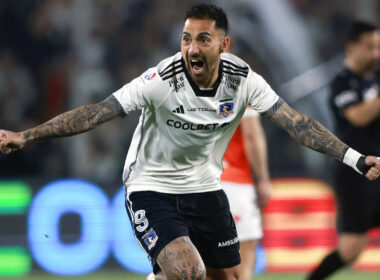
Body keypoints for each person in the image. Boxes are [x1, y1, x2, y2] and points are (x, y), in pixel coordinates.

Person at [1, 4, 380, 280]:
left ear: (224, 44)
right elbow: (97, 112)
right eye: (186, 39)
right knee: (188, 272)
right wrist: (27, 136)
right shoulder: (161, 80)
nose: (192, 48)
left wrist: (355, 159)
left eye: (203, 39)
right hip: (152, 188)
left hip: (205, 189)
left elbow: (297, 124)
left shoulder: (244, 80)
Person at [306, 21, 380, 280]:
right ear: (352, 47)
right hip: (355, 174)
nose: (376, 54)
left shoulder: (375, 80)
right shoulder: (341, 83)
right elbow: (358, 117)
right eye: (370, 47)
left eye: (378, 47)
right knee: (351, 249)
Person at [221, 107, 271, 280]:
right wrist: (263, 179)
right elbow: (251, 135)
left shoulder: (186, 89)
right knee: (242, 260)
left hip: (197, 184)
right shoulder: (238, 89)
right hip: (233, 183)